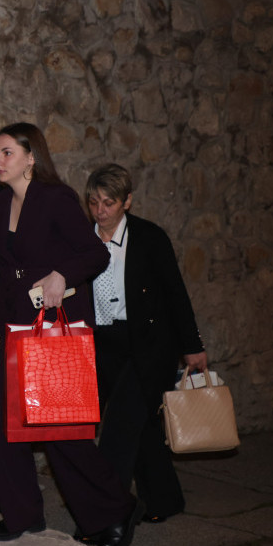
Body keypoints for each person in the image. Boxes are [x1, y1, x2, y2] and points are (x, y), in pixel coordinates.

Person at [0, 122, 141, 546]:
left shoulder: (56, 198)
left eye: (6, 152)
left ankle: (114, 510)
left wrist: (61, 275)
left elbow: (94, 253)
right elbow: (5, 273)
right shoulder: (0, 204)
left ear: (31, 157)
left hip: (54, 325)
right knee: (4, 424)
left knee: (60, 432)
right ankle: (22, 514)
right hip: (17, 324)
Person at [86, 163, 207, 524]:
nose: (100, 211)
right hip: (101, 345)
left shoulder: (149, 238)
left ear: (127, 202)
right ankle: (165, 500)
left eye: (109, 202)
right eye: (93, 202)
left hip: (148, 346)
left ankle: (108, 516)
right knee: (144, 430)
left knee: (119, 429)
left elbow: (175, 293)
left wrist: (192, 345)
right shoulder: (82, 240)